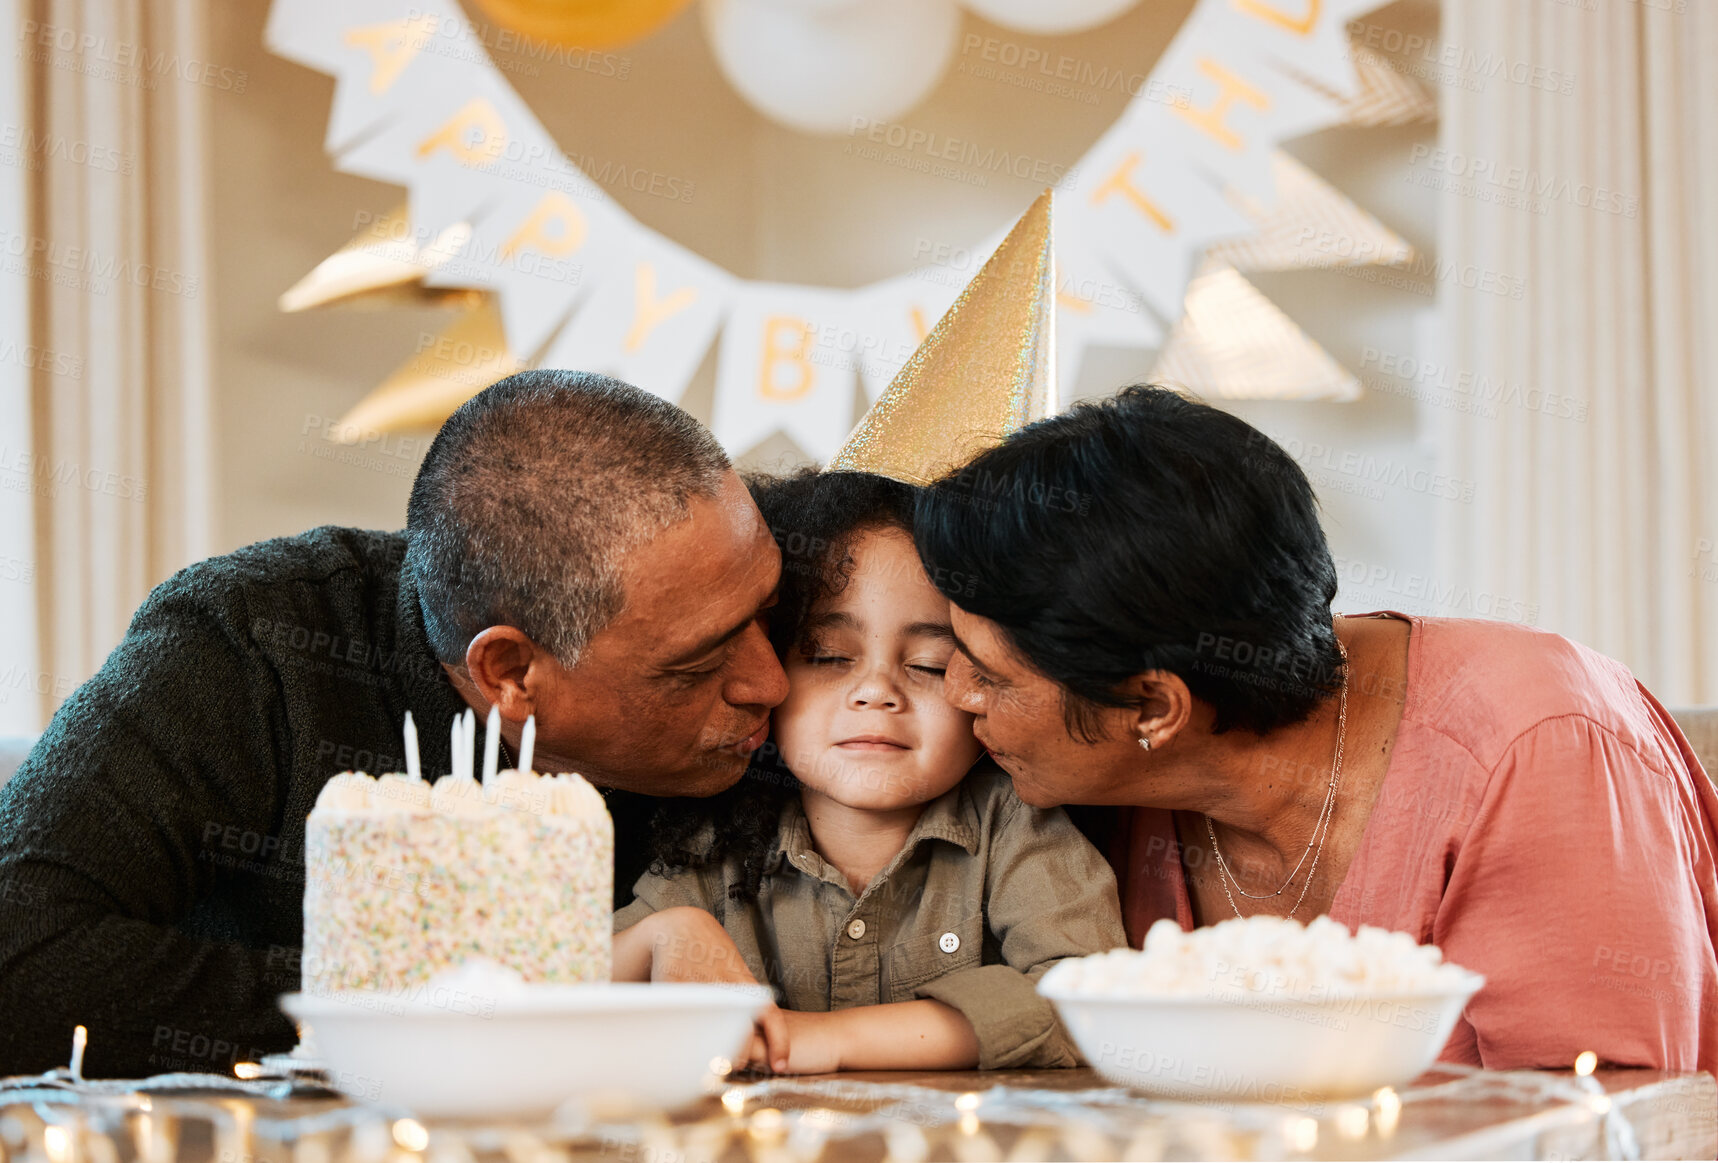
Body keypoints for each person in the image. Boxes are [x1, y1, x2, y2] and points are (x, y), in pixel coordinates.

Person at [911, 385, 1718, 1077]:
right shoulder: (1074, 794)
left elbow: (1607, 1128)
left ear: (1155, 707)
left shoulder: (1536, 744)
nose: (953, 695)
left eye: (987, 674)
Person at [0, 370, 788, 1077]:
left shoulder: (818, 688)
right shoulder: (254, 648)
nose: (771, 681)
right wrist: (437, 1020)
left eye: (769, 613)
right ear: (510, 673)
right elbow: (19, 955)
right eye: (696, 665)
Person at [612, 470, 1126, 1073]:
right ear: (767, 674)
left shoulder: (1018, 826)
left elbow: (1093, 1006)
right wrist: (662, 934)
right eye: (830, 657)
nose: (876, 692)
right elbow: (536, 999)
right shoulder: (714, 843)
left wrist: (824, 1040)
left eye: (931, 666)